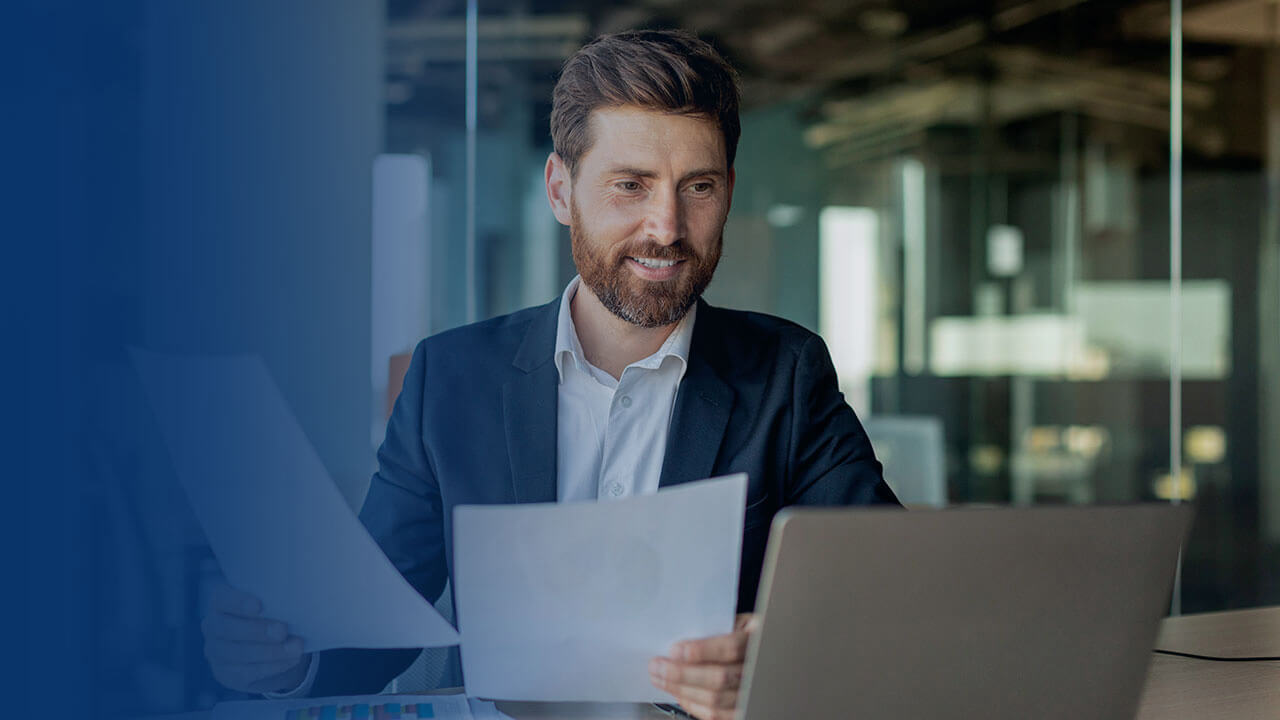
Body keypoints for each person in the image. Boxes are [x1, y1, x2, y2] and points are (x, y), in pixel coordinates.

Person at [200, 28, 899, 720]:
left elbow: (887, 599)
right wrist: (287, 660)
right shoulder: (450, 378)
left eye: (699, 186)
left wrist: (773, 652)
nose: (667, 225)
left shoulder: (786, 373)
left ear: (729, 191)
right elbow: (373, 620)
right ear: (561, 190)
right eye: (631, 185)